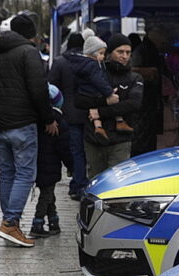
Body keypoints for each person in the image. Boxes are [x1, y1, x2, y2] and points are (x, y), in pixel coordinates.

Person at [0, 13, 57, 247]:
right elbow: (39, 90)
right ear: (31, 33)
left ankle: (9, 223)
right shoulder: (29, 52)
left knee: (7, 173)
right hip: (22, 123)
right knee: (25, 174)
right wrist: (48, 118)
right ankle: (10, 223)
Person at [75, 32, 142, 178]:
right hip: (94, 139)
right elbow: (80, 100)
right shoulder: (95, 72)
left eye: (128, 52)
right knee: (95, 180)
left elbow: (133, 104)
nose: (124, 56)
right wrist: (106, 102)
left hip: (121, 139)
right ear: (109, 53)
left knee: (117, 182)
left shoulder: (134, 77)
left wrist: (100, 111)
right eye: (120, 52)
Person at [47, 32, 88, 200]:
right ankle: (79, 182)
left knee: (75, 151)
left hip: (67, 114)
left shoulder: (60, 62)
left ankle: (78, 185)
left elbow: (50, 87)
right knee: (85, 151)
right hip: (87, 113)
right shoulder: (89, 62)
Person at [30, 84, 70, 238]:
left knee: (48, 193)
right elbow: (64, 148)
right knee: (46, 195)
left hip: (36, 163)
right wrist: (70, 165)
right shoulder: (59, 122)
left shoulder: (34, 120)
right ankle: (37, 223)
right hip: (51, 166)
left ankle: (54, 222)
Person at [75, 35, 119, 139]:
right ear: (92, 53)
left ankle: (98, 127)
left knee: (93, 108)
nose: (103, 56)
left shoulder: (81, 63)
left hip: (84, 92)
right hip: (94, 92)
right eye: (101, 53)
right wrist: (109, 92)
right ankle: (118, 121)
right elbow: (99, 81)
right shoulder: (93, 66)